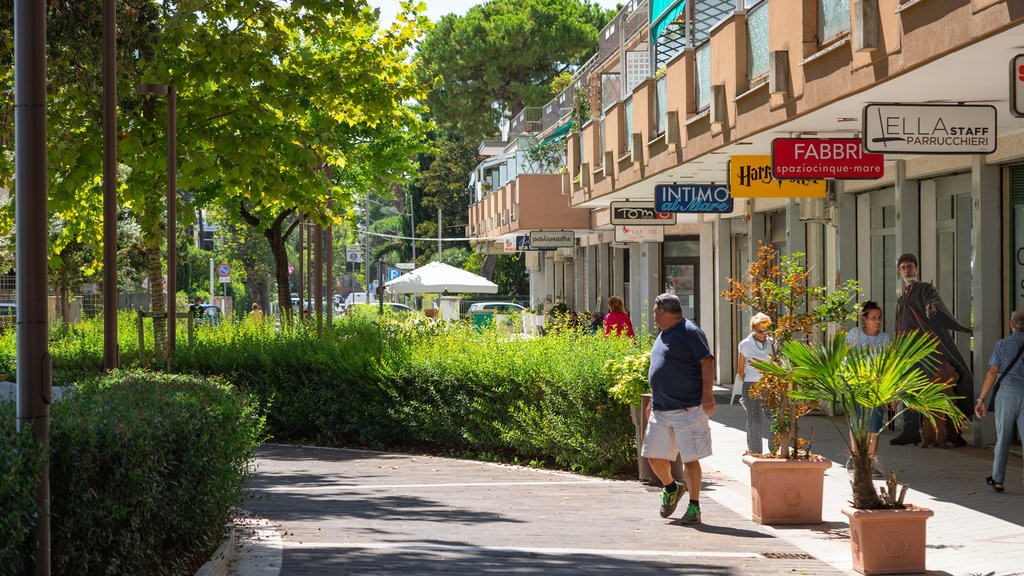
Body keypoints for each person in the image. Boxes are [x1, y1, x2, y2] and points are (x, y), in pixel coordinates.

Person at [641, 293, 716, 525]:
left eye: (654, 311)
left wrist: (707, 395)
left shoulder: (689, 331)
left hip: (688, 409)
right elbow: (663, 366)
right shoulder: (663, 333)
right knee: (653, 455)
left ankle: (694, 507)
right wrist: (654, 397)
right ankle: (672, 487)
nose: (653, 316)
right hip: (662, 409)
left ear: (663, 311)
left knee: (690, 459)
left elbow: (707, 361)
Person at [891, 253, 973, 446]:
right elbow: (899, 325)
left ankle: (953, 432)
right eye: (903, 267)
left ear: (916, 269)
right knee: (909, 389)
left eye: (910, 266)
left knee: (943, 389)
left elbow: (933, 303)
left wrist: (933, 310)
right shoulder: (902, 296)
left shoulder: (925, 288)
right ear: (899, 271)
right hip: (908, 352)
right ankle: (911, 431)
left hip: (928, 349)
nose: (907, 270)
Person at [974, 310, 1024, 493]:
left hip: (1007, 394)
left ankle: (998, 480)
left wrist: (981, 399)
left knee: (1002, 438)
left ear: (1012, 325)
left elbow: (992, 373)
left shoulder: (1002, 345)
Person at [846, 301, 892, 476]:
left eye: (879, 318)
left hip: (877, 387)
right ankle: (857, 457)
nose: (877, 321)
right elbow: (845, 357)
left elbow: (889, 364)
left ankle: (871, 461)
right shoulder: (855, 334)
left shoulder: (885, 339)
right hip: (856, 385)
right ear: (864, 319)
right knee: (857, 423)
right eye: (873, 318)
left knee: (874, 425)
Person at [736, 312, 775, 455]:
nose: (763, 334)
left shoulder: (772, 343)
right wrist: (750, 381)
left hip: (770, 384)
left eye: (766, 331)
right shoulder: (746, 344)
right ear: (753, 329)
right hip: (752, 383)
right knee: (754, 419)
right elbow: (741, 369)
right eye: (760, 331)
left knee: (775, 416)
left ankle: (774, 448)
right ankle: (755, 451)